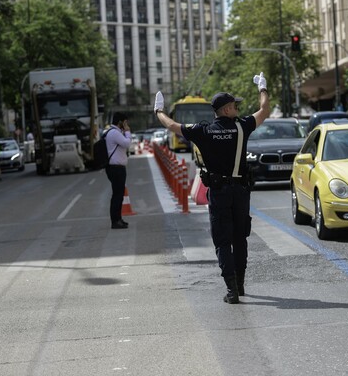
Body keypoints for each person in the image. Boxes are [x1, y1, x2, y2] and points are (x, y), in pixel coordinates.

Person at [154, 72, 270, 304]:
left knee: (222, 241)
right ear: (225, 110)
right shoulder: (242, 126)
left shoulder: (203, 131)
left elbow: (172, 125)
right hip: (240, 191)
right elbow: (265, 110)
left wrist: (158, 110)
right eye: (234, 106)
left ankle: (231, 290)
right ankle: (240, 283)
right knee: (240, 238)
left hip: (218, 193)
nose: (237, 108)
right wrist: (262, 88)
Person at [106, 112, 132, 229]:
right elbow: (127, 143)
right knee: (117, 195)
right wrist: (127, 131)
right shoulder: (114, 133)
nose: (126, 124)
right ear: (120, 122)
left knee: (119, 195)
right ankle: (115, 221)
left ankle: (118, 219)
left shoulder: (114, 132)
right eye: (125, 122)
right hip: (116, 169)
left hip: (117, 168)